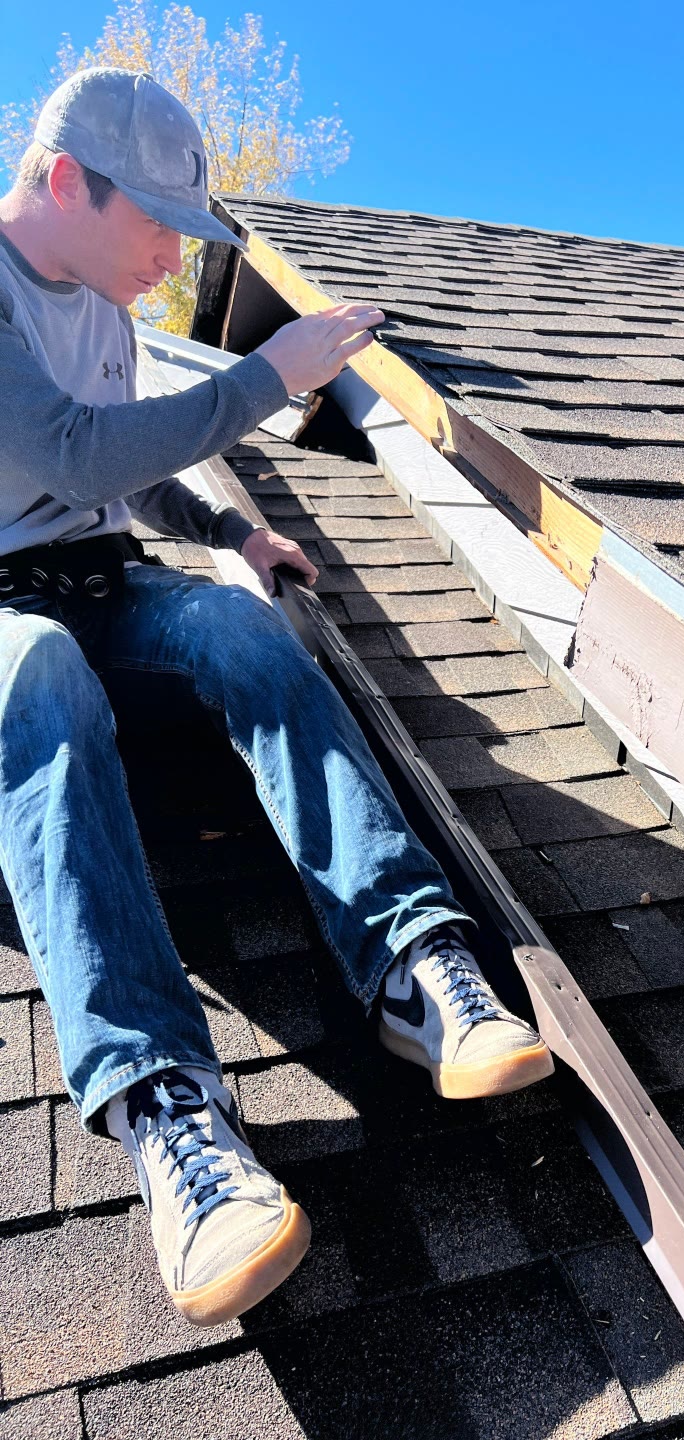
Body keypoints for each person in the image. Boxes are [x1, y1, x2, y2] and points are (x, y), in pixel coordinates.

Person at [0, 67, 553, 1328]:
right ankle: (168, 1113)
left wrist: (228, 538)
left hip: (101, 574)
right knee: (36, 681)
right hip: (1, 613)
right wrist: (271, 376)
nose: (170, 257)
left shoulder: (107, 306)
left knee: (244, 635)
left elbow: (128, 476)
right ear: (68, 179)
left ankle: (417, 965)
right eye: (157, 225)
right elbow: (72, 453)